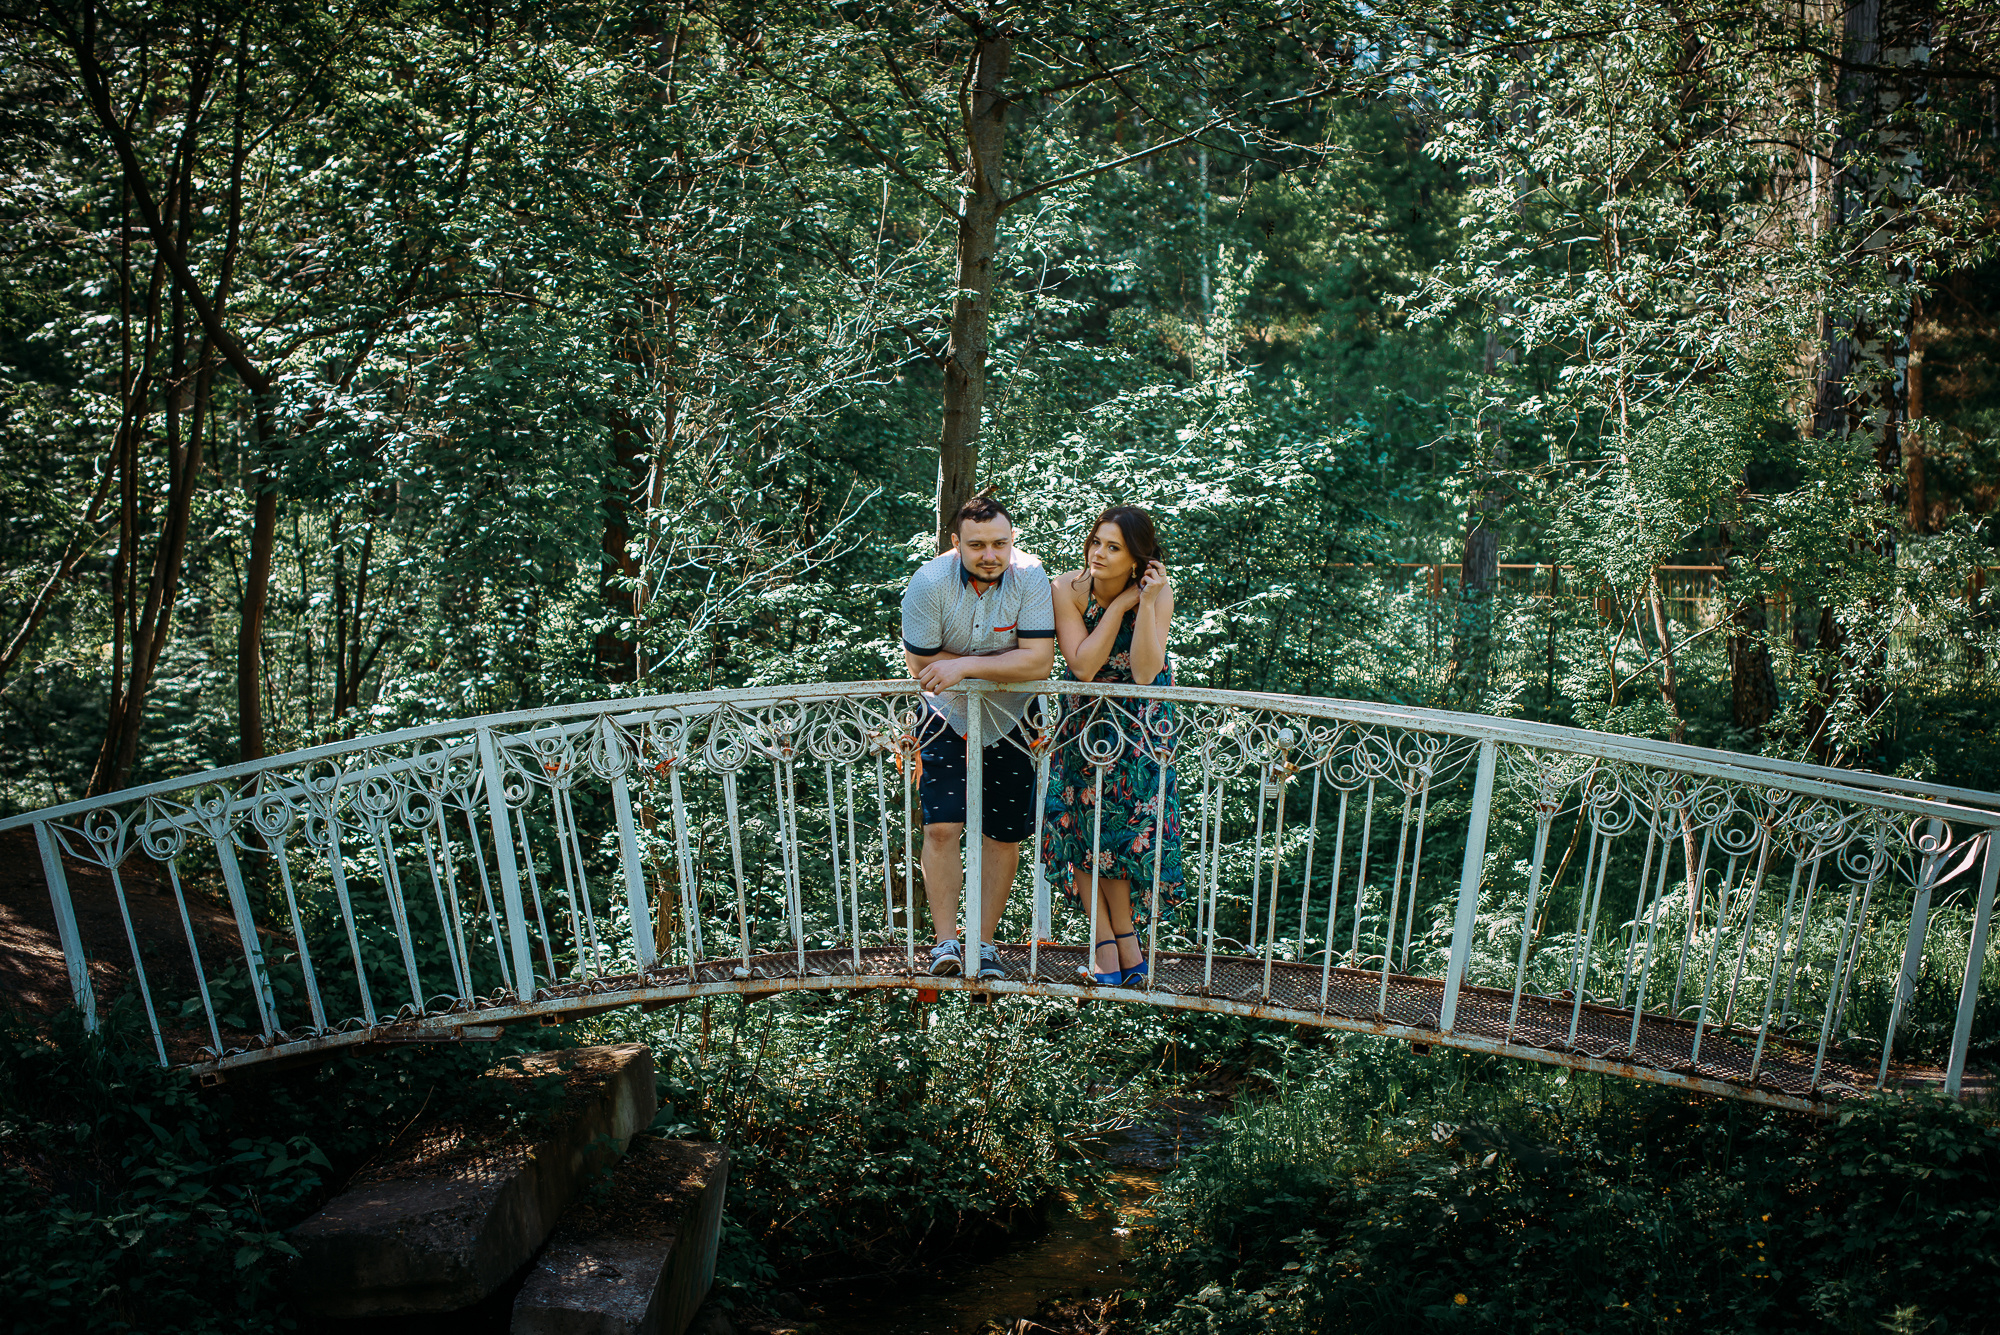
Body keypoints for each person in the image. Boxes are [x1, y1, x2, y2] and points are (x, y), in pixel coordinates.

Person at [901, 494, 1057, 978]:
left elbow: (1038, 661)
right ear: (956, 544)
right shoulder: (928, 582)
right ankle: (946, 944)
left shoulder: (1030, 576)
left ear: (1013, 540)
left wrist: (964, 663)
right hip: (944, 713)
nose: (990, 554)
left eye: (999, 543)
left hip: (1012, 719)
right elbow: (922, 665)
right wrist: (1002, 662)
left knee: (1002, 833)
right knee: (941, 827)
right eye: (977, 545)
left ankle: (984, 945)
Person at [1042, 504, 1185, 984]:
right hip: (1085, 723)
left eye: (1113, 548)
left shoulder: (1158, 594)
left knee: (1122, 835)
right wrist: (1119, 606)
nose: (1098, 554)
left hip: (1138, 725)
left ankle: (1122, 941)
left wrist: (1144, 602)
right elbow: (1082, 665)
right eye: (1096, 542)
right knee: (1077, 826)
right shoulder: (1067, 588)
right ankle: (1108, 943)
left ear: (1137, 560)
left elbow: (1144, 673)